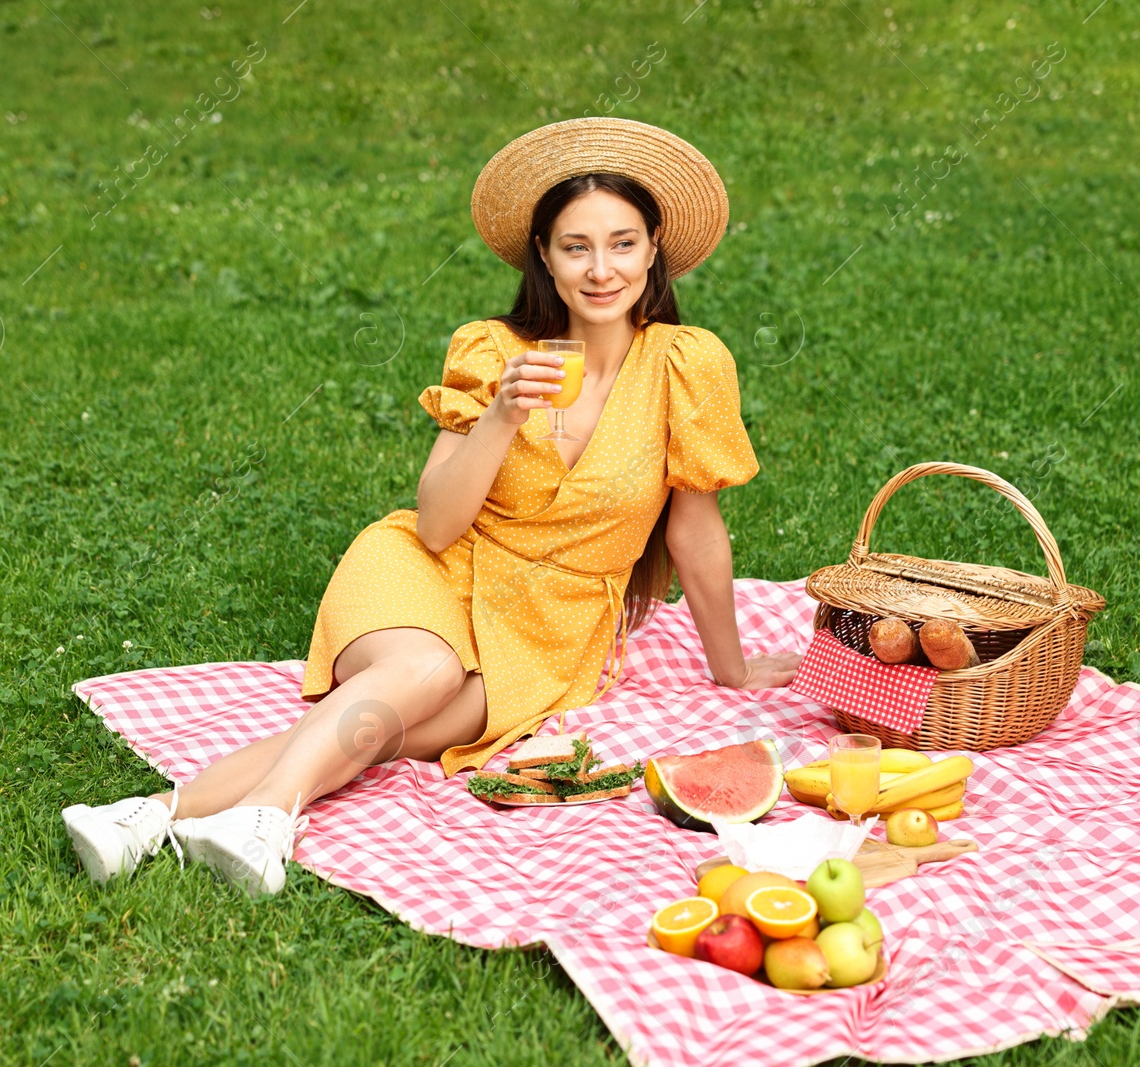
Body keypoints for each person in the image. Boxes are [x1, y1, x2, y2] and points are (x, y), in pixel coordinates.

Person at [61, 118, 802, 896]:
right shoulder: (491, 349)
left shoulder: (688, 364)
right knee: (421, 667)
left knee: (374, 728)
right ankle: (267, 817)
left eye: (621, 243)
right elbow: (439, 524)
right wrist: (503, 415)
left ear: (654, 248)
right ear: (543, 257)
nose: (600, 269)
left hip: (550, 627)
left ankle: (141, 817)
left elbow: (695, 530)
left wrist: (733, 667)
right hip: (428, 569)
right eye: (575, 246)